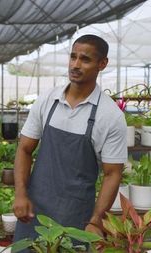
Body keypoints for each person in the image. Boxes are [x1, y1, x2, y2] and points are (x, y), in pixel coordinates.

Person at [12, 34, 127, 246]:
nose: (75, 65)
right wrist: (20, 193)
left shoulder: (109, 115)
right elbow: (24, 149)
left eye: (85, 59)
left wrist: (96, 220)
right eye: (73, 57)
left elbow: (113, 173)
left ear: (102, 64)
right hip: (34, 212)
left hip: (76, 218)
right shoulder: (48, 100)